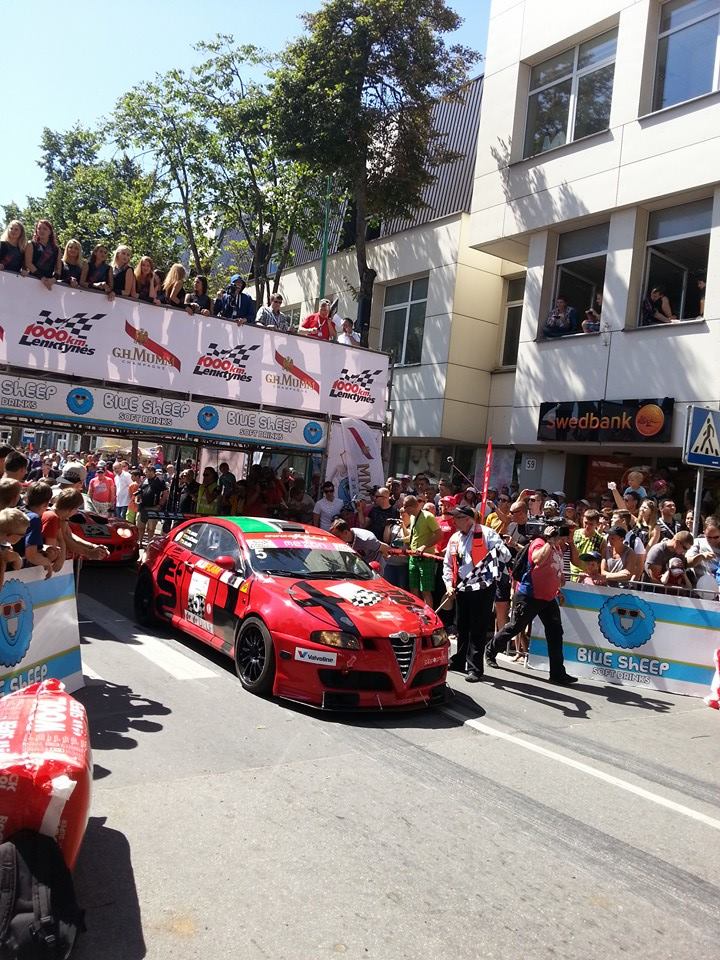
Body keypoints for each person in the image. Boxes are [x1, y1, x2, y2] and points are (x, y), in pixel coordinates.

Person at [486, 523, 578, 685]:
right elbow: (537, 560)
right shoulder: (539, 543)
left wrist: (558, 587)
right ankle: (490, 650)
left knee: (556, 633)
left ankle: (557, 672)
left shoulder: (558, 548)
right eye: (562, 533)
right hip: (530, 596)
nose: (565, 537)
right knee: (515, 627)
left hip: (548, 598)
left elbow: (555, 571)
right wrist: (549, 541)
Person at [442, 505, 510, 681]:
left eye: (457, 518)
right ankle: (459, 660)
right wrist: (449, 584)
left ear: (468, 519)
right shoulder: (455, 538)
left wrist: (499, 551)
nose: (454, 521)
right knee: (462, 625)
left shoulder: (487, 534)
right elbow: (448, 564)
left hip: (483, 587)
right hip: (462, 587)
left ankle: (475, 668)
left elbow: (504, 555)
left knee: (478, 628)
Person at [402, 495, 441, 606]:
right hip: (413, 557)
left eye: (406, 507)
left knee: (425, 590)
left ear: (412, 506)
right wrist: (402, 540)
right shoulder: (412, 517)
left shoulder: (428, 517)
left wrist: (424, 546)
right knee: (413, 588)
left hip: (425, 558)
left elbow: (439, 534)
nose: (404, 510)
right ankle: (417, 612)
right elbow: (415, 536)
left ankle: (428, 615)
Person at [23, 220, 61, 290]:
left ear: (50, 232)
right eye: (39, 228)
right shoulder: (31, 244)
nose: (41, 231)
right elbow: (28, 263)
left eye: (45, 229)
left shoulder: (56, 249)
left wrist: (53, 279)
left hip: (48, 284)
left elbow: (58, 269)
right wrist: (42, 278)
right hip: (32, 279)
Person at [569, 509, 604, 581]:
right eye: (586, 523)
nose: (587, 526)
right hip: (571, 574)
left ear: (597, 524)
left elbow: (601, 562)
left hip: (588, 578)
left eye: (591, 524)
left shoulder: (601, 540)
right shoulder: (575, 534)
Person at [135, 466, 168, 542]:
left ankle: (149, 543)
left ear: (152, 472)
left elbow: (165, 493)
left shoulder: (160, 481)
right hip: (142, 507)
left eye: (147, 472)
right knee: (140, 527)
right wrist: (137, 499)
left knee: (151, 528)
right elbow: (139, 490)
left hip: (153, 508)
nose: (145, 473)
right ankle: (139, 542)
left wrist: (160, 504)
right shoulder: (144, 480)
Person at [686, 516, 720, 585]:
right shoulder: (698, 542)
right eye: (709, 537)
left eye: (716, 537)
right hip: (701, 586)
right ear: (704, 532)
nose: (712, 540)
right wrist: (700, 556)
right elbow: (687, 562)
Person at [0, 508, 26, 589]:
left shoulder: (6, 544)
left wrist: (16, 558)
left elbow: (17, 567)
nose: (22, 538)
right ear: (11, 534)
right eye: (22, 535)